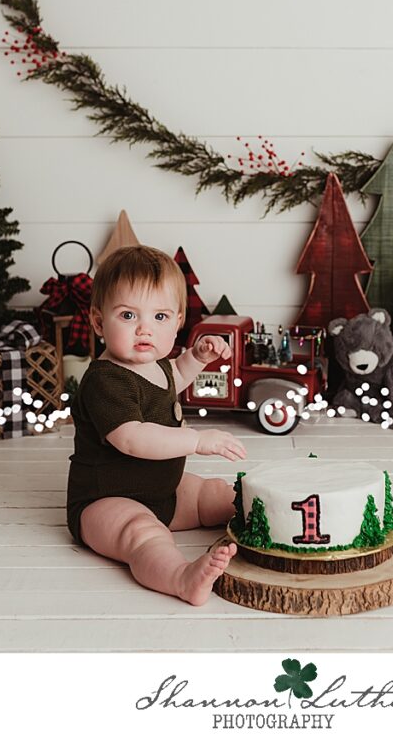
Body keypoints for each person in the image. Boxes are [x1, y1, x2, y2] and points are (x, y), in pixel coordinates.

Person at [67, 245, 246, 606]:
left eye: (160, 316)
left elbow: (173, 376)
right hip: (107, 501)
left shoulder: (155, 363)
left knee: (212, 493)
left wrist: (197, 358)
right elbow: (132, 438)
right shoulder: (105, 380)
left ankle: (266, 516)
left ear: (178, 322)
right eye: (128, 315)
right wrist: (196, 441)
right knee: (144, 534)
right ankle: (180, 577)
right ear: (99, 322)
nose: (145, 329)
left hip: (164, 492)